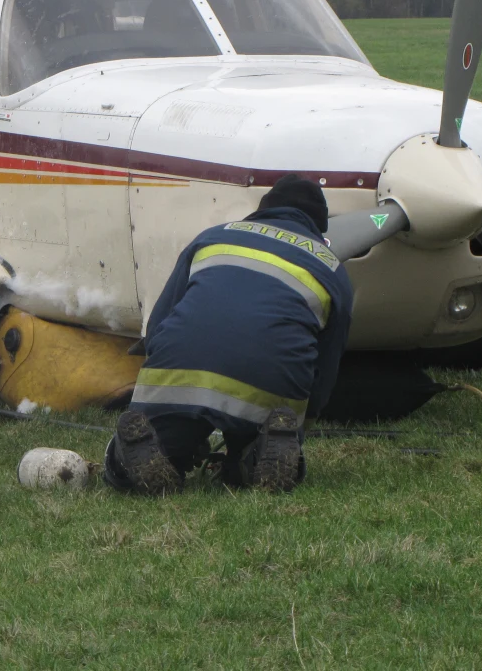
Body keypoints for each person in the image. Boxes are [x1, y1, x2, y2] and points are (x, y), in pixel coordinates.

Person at [104, 175, 353, 495]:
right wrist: (308, 414)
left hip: (182, 372)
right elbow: (328, 361)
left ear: (263, 209)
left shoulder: (211, 238)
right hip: (270, 383)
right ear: (318, 228)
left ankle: (142, 457)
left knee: (151, 451)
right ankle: (255, 455)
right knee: (257, 447)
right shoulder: (331, 267)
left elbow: (157, 326)